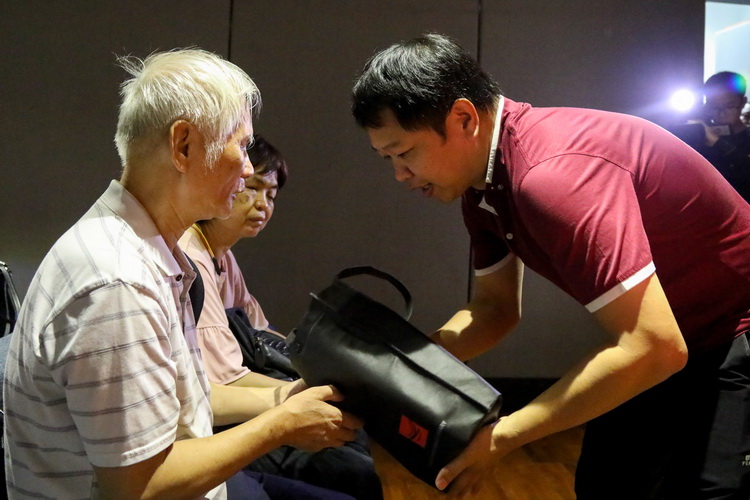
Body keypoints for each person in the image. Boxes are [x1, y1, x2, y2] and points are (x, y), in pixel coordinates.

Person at [351, 33, 750, 499]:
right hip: (671, 341)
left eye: (404, 153)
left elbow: (654, 346)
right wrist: (394, 370)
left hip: (734, 330)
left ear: (463, 118)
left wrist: (501, 436)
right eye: (388, 159)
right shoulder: (482, 187)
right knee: (606, 484)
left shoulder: (551, 176)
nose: (400, 174)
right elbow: (494, 311)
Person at [3, 48, 362, 500]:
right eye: (242, 146)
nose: (247, 168)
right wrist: (281, 426)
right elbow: (140, 488)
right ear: (183, 146)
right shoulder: (119, 282)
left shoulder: (146, 249)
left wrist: (282, 399)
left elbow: (184, 398)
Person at [179, 134, 384, 500]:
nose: (262, 204)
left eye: (271, 195)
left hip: (242, 407)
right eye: (252, 188)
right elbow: (224, 379)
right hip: (217, 427)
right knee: (354, 469)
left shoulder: (221, 255)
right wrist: (298, 393)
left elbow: (264, 332)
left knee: (357, 441)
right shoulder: (192, 256)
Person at [694, 71, 750, 202]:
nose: (721, 113)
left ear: (743, 102)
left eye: (729, 106)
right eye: (714, 106)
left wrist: (718, 143)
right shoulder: (700, 136)